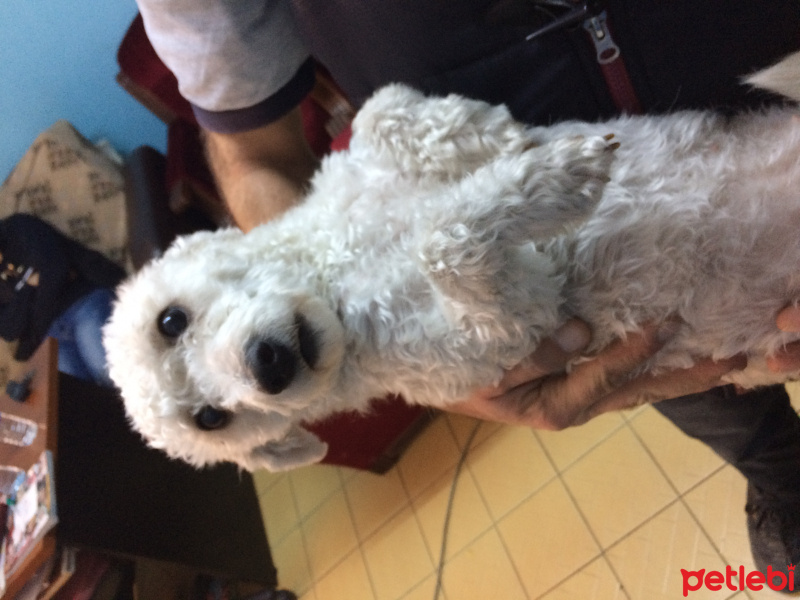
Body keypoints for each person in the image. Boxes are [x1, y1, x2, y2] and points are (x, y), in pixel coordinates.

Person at [135, 0, 800, 585]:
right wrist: (406, 333)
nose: (239, 372)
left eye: (170, 322)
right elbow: (254, 151)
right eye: (214, 415)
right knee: (689, 369)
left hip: (753, 54)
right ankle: (780, 470)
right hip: (602, 278)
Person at [0, 213, 125, 386]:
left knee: (106, 372)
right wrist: (28, 286)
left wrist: (30, 310)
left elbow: (57, 269)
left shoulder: (18, 228)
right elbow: (8, 330)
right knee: (81, 398)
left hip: (81, 301)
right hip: (49, 335)